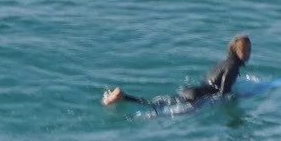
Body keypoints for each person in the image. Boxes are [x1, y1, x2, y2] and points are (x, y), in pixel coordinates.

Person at [104, 35, 252, 109]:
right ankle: (123, 97)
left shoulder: (224, 62)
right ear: (235, 50)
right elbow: (223, 93)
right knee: (156, 107)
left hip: (192, 91)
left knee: (157, 103)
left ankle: (123, 97)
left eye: (249, 50)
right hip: (196, 97)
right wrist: (239, 97)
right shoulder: (233, 66)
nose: (247, 53)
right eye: (244, 50)